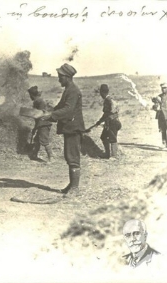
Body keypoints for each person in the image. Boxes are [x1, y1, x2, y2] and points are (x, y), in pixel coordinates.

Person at [40, 63, 85, 196]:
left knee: (73, 157)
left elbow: (68, 110)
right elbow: (60, 107)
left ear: (67, 77)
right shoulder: (69, 89)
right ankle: (72, 185)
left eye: (60, 76)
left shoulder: (73, 91)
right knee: (69, 155)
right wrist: (48, 113)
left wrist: (52, 115)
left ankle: (75, 189)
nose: (59, 79)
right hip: (69, 128)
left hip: (73, 128)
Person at [94, 84, 122, 159]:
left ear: (102, 92)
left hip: (112, 122)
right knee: (103, 137)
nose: (100, 94)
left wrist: (100, 121)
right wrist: (99, 122)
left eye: (100, 92)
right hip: (110, 122)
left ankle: (114, 156)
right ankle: (107, 154)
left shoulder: (108, 100)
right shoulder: (109, 99)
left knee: (112, 138)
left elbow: (107, 113)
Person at [27, 86, 54, 162]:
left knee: (44, 141)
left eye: (30, 95)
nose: (30, 97)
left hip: (44, 124)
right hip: (41, 123)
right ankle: (34, 155)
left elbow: (40, 114)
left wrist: (36, 127)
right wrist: (35, 128)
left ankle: (51, 158)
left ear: (32, 95)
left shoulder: (38, 101)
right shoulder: (39, 100)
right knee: (37, 140)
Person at [151, 83, 167, 148]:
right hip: (161, 115)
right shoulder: (159, 96)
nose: (163, 89)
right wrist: (155, 106)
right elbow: (156, 106)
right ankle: (164, 143)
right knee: (162, 130)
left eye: (164, 88)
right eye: (162, 88)